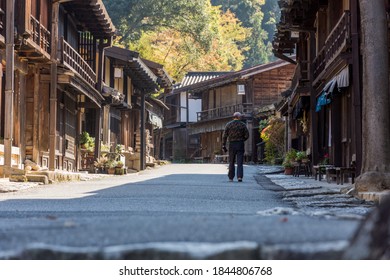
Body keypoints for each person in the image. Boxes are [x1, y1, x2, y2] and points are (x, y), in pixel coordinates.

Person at [222, 112, 249, 182]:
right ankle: (239, 177)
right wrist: (242, 139)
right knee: (240, 161)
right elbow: (247, 135)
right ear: (238, 117)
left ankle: (231, 177)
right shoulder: (243, 125)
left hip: (232, 144)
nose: (241, 118)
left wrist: (223, 144)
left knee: (231, 161)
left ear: (233, 117)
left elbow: (224, 136)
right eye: (240, 116)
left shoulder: (228, 124)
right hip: (240, 144)